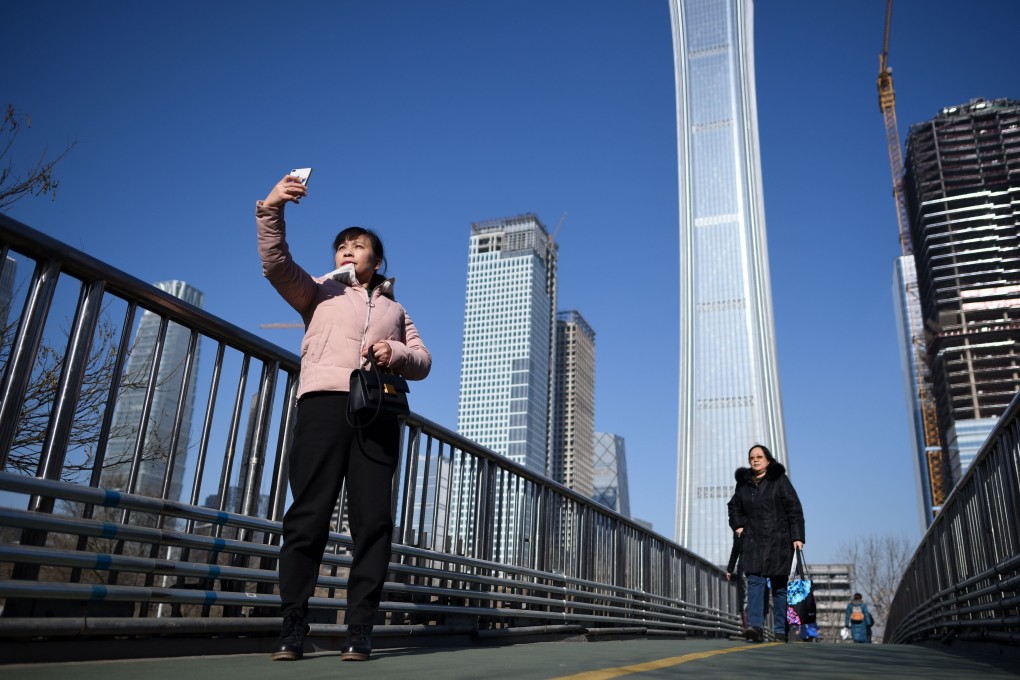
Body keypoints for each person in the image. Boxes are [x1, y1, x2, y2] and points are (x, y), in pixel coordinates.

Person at [257, 174, 432, 662]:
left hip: (376, 412)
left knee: (373, 521)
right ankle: (293, 624)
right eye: (341, 247)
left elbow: (424, 361)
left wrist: (393, 350)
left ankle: (360, 629)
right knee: (308, 514)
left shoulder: (397, 309)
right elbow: (274, 263)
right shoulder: (316, 292)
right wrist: (272, 207)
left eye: (359, 246)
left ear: (378, 261)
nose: (347, 252)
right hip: (323, 405)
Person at [727, 444, 805, 643]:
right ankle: (756, 627)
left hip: (778, 541)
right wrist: (738, 526)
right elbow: (734, 507)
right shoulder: (743, 484)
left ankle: (780, 631)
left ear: (768, 460)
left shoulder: (779, 481)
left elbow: (794, 508)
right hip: (753, 541)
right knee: (755, 583)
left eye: (759, 456)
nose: (755, 460)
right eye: (752, 457)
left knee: (779, 587)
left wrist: (797, 537)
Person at [725, 530, 749, 630]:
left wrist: (730, 569)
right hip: (760, 565)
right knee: (757, 596)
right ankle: (756, 626)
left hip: (745, 564)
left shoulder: (740, 527)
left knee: (744, 598)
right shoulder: (761, 520)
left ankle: (747, 627)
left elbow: (736, 549)